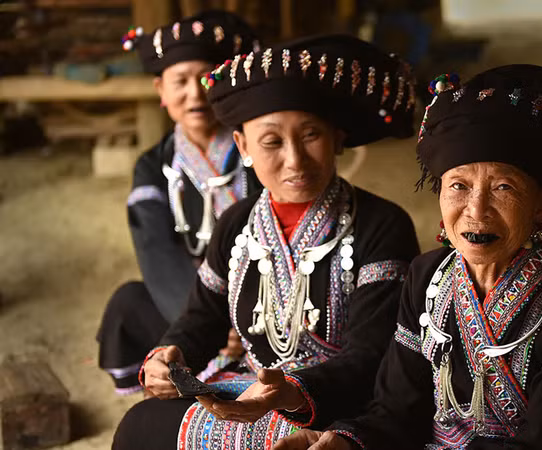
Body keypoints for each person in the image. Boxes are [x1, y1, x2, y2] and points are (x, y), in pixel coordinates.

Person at [276, 66, 542, 449]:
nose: (476, 210)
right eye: (459, 186)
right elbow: (398, 408)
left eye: (503, 187)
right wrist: (348, 441)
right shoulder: (426, 276)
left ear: (540, 207)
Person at [112, 35, 420, 449]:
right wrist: (172, 355)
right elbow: (202, 319)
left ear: (337, 137)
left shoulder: (383, 225)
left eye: (311, 135)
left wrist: (290, 390)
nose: (294, 160)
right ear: (244, 146)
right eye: (272, 142)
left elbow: (372, 355)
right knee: (141, 425)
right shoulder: (237, 223)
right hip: (250, 384)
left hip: (338, 399)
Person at [97, 11, 261, 395]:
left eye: (205, 78)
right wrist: (210, 326)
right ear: (161, 90)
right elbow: (156, 252)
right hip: (193, 304)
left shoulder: (257, 151)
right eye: (180, 82)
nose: (194, 93)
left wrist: (246, 320)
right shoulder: (153, 167)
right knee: (128, 303)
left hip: (263, 300)